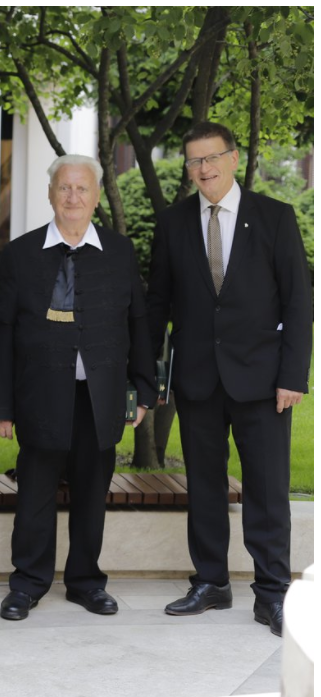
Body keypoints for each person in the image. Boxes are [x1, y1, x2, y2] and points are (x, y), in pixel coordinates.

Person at [146, 122, 311, 636]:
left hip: (264, 382)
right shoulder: (172, 223)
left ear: (234, 158)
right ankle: (211, 583)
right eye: (194, 161)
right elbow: (157, 306)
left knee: (267, 490)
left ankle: (273, 593)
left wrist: (293, 376)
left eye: (212, 158)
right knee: (204, 487)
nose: (203, 169)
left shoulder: (275, 217)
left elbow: (299, 302)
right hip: (197, 380)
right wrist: (149, 375)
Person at [0, 154, 156, 621]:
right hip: (39, 395)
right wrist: (0, 406)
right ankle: (27, 584)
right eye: (64, 187)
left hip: (99, 397)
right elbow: (1, 333)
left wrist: (144, 389)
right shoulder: (20, 254)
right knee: (34, 496)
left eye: (82, 188)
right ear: (50, 194)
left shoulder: (119, 252)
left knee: (91, 496)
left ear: (96, 196)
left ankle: (86, 582)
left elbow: (138, 323)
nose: (73, 197)